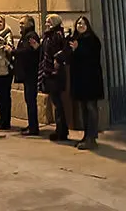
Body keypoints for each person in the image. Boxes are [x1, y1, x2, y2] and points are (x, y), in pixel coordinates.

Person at [69, 16, 104, 150]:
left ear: (88, 25)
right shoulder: (76, 39)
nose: (80, 25)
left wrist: (79, 49)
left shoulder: (92, 40)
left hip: (91, 79)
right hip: (80, 80)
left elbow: (92, 57)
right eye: (78, 23)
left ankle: (92, 137)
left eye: (83, 23)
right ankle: (86, 135)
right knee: (83, 108)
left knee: (91, 107)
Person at [40, 14, 70, 142]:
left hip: (55, 73)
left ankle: (62, 131)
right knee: (55, 102)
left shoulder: (58, 35)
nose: (47, 23)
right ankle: (60, 129)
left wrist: (57, 62)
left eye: (49, 21)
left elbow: (63, 51)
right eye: (46, 21)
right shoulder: (49, 35)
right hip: (48, 72)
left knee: (58, 103)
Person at [14, 15, 41, 136]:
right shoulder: (25, 36)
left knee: (31, 100)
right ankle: (31, 125)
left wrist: (12, 51)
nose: (20, 26)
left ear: (29, 24)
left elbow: (26, 51)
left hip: (31, 73)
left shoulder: (31, 36)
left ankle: (33, 128)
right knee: (28, 100)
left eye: (22, 23)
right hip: (27, 74)